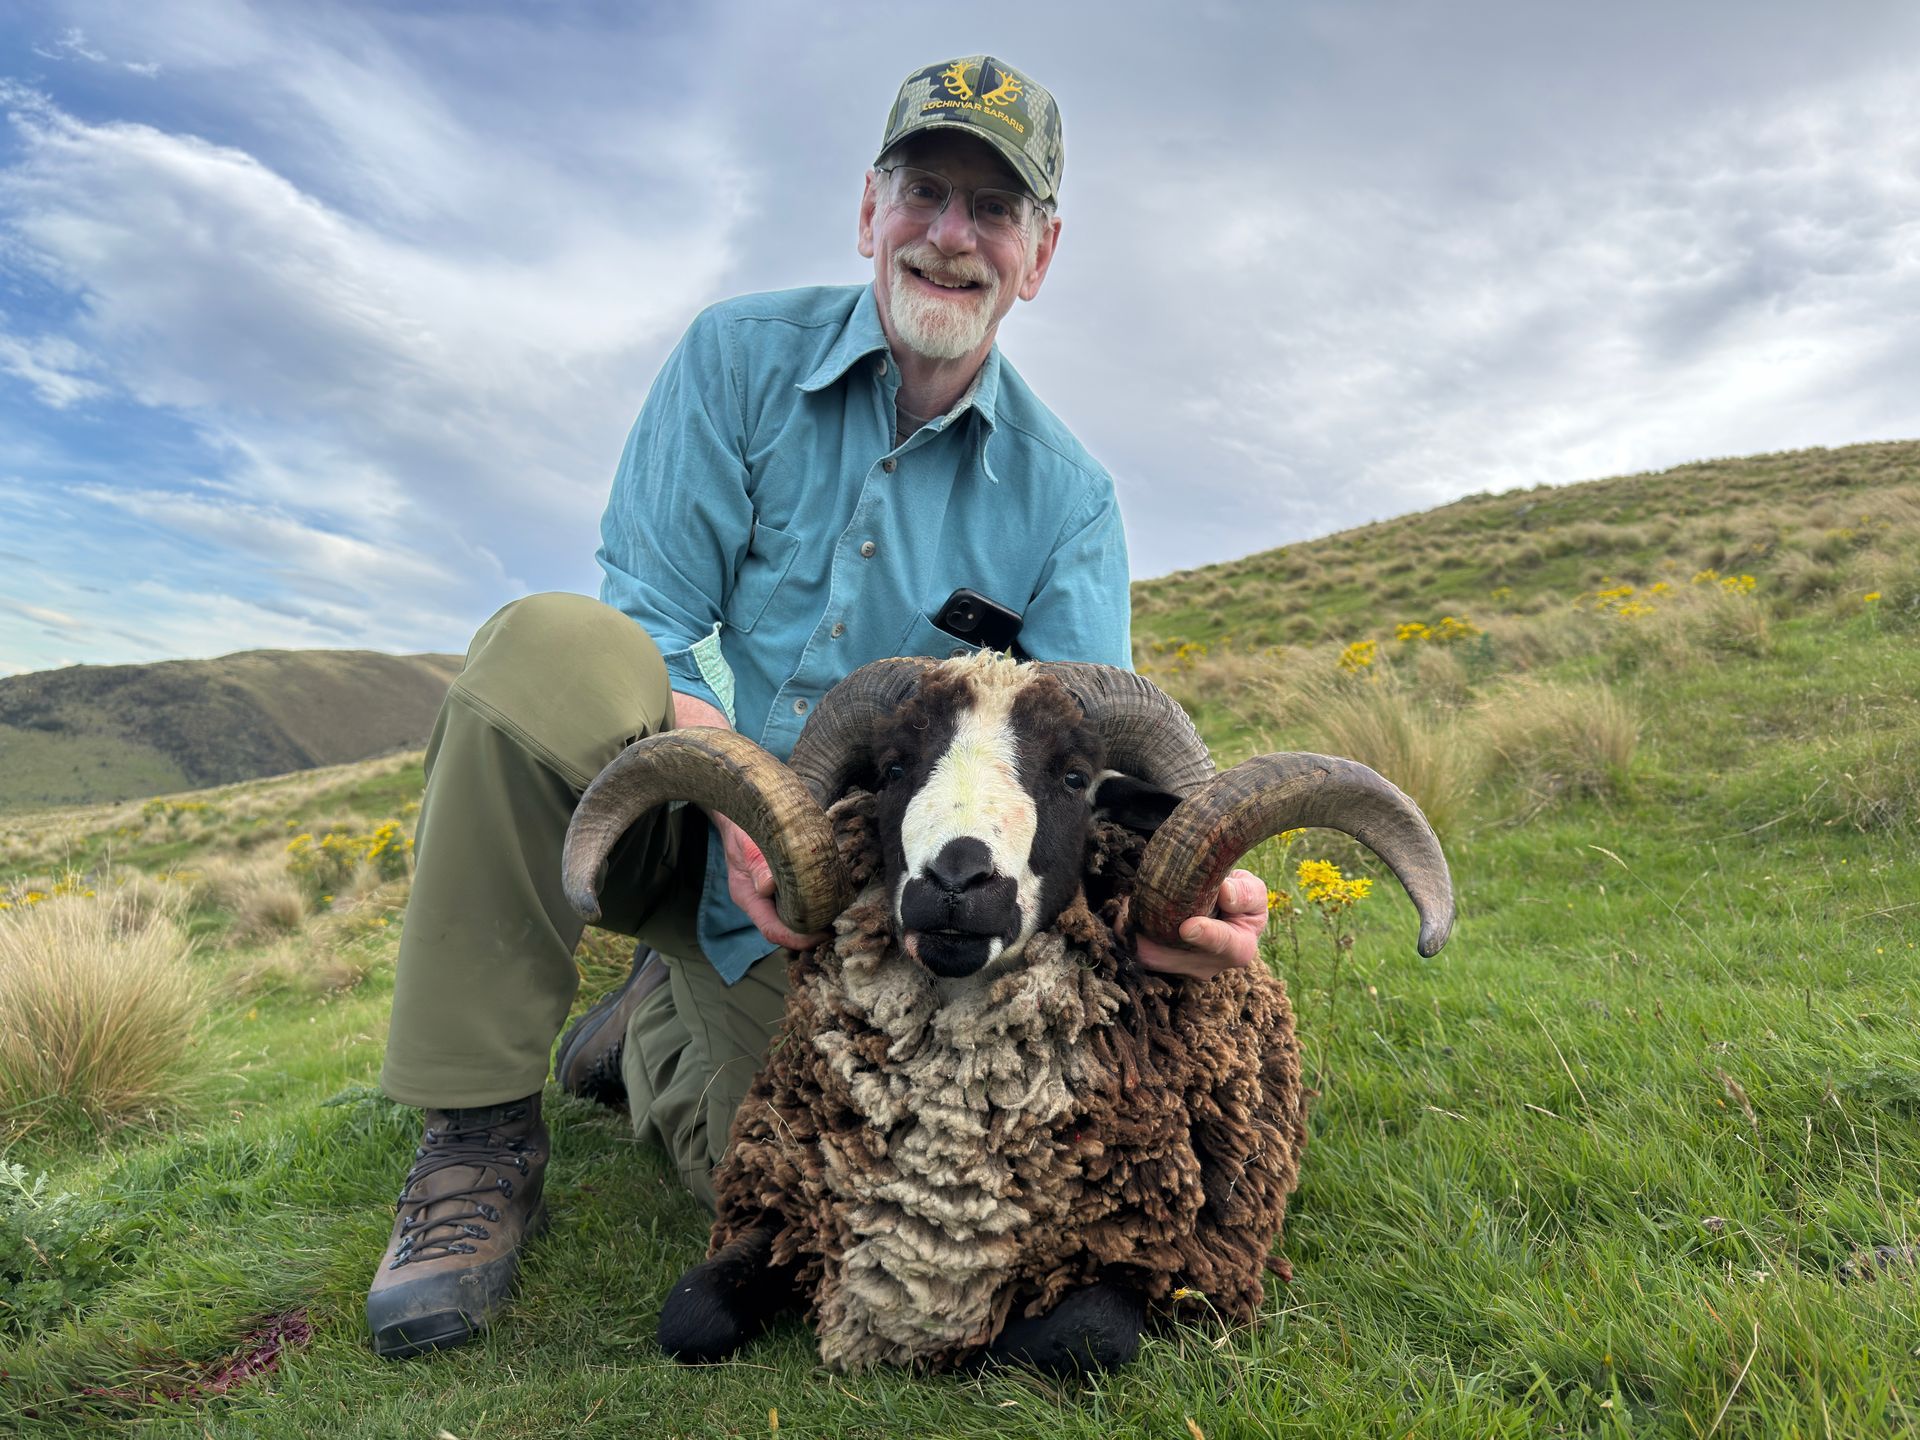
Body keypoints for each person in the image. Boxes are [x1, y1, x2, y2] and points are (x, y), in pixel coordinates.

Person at [365, 53, 1270, 1360]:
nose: (952, 234)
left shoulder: (1068, 502)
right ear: (868, 210)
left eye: (994, 209)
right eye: (925, 190)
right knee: (542, 653)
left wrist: (1181, 889)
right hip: (682, 801)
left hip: (871, 905)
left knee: (819, 1181)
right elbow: (654, 625)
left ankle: (645, 1032)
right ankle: (475, 1138)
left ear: (1040, 253)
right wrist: (740, 784)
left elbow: (1077, 757)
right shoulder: (733, 360)